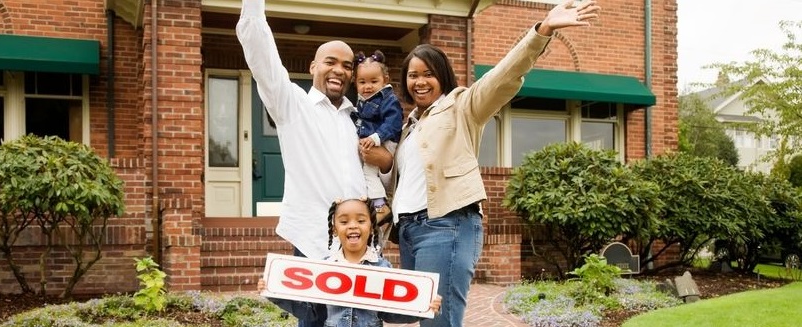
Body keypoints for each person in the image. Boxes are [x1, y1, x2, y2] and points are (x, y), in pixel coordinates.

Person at [386, 1, 602, 326]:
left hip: (446, 226)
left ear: (442, 76)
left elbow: (504, 75)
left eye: (428, 74)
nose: (420, 82)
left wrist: (542, 30)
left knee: (439, 321)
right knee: (420, 317)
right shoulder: (408, 126)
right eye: (413, 75)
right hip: (408, 230)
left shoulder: (463, 105)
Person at [237, 1, 389, 325]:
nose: (339, 70)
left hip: (359, 245)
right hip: (314, 243)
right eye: (330, 62)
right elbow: (260, 51)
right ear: (312, 67)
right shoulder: (292, 106)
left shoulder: (359, 122)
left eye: (347, 65)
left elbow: (379, 175)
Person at [258, 198, 441, 326]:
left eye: (361, 220)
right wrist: (274, 292)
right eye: (344, 221)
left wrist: (424, 307)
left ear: (371, 228)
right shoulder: (325, 267)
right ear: (335, 230)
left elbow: (390, 313)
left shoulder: (381, 268)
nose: (353, 225)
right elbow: (310, 311)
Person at [350, 50, 403, 226]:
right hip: (374, 141)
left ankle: (381, 208)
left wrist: (376, 138)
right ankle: (377, 206)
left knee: (368, 173)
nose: (368, 86)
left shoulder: (387, 98)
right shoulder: (361, 101)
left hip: (386, 141)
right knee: (366, 174)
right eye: (362, 82)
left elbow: (393, 123)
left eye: (374, 81)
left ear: (385, 80)